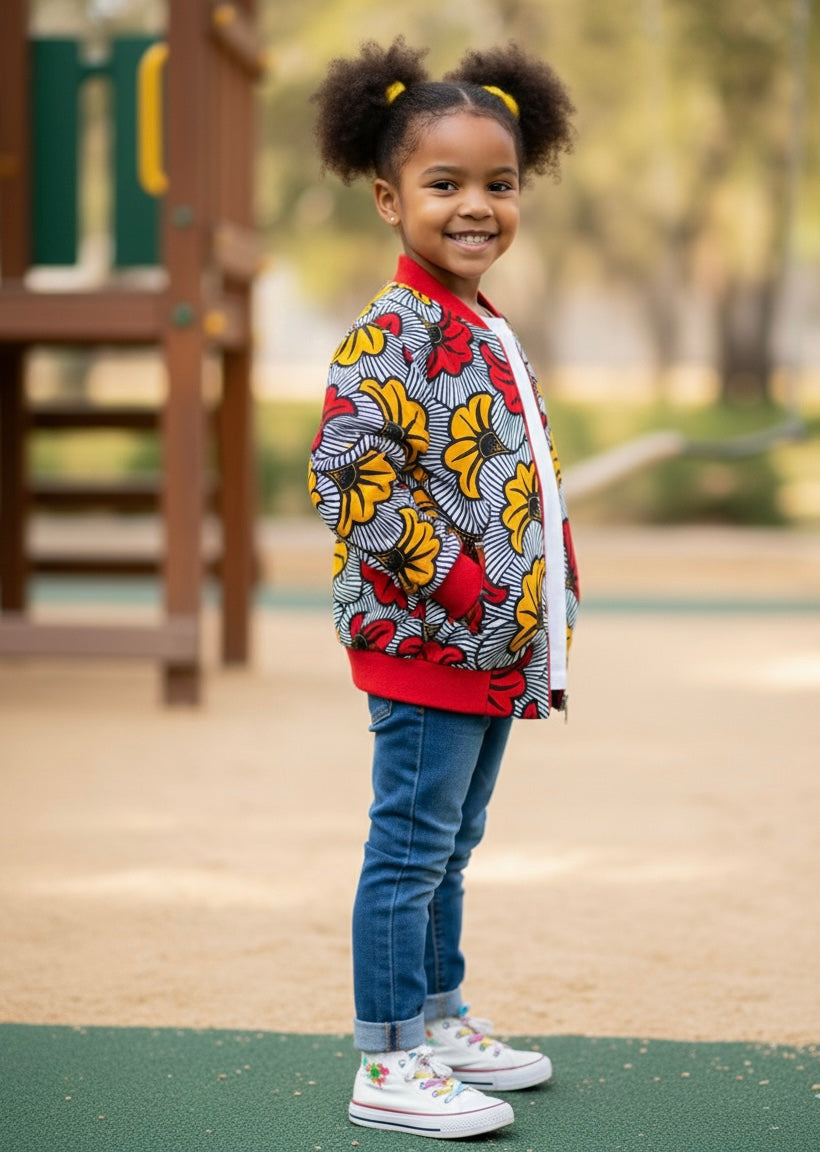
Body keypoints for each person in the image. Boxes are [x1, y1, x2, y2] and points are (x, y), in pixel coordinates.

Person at [308, 36, 580, 1140]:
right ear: (389, 198)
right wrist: (470, 590)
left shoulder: (477, 321)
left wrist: (548, 585)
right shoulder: (390, 335)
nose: (476, 205)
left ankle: (437, 1014)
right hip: (431, 644)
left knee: (450, 844)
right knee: (409, 846)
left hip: (495, 643)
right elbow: (350, 479)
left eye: (498, 184)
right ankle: (388, 1061)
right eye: (445, 184)